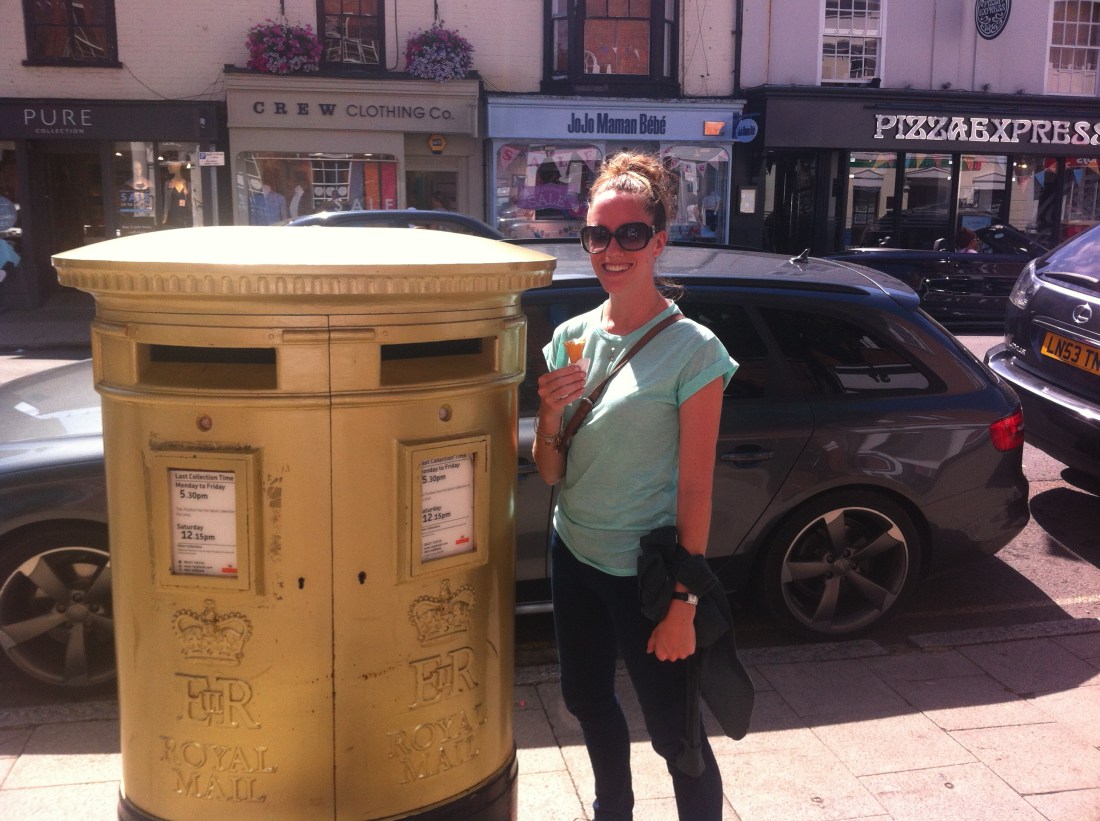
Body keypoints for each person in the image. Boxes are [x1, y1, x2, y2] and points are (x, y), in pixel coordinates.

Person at [531, 152, 737, 821]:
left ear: (658, 241)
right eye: (598, 234)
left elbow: (697, 489)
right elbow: (552, 471)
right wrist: (551, 414)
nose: (612, 250)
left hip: (644, 573)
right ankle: (611, 809)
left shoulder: (694, 350)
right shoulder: (569, 338)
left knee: (677, 732)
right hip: (574, 553)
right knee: (587, 699)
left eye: (629, 235)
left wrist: (685, 598)